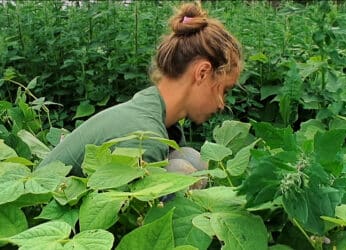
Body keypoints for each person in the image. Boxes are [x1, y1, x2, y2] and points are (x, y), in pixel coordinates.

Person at [38, 2, 243, 176]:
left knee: (189, 158)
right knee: (180, 169)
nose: (221, 104)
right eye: (224, 90)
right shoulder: (144, 137)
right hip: (44, 219)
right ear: (202, 73)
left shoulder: (154, 119)